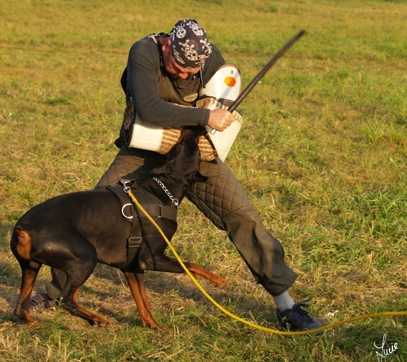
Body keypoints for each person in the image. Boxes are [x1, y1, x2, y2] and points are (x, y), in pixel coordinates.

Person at [30, 19, 323, 333]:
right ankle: (55, 294)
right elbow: (150, 108)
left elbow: (221, 108)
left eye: (191, 72)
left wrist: (216, 123)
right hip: (144, 150)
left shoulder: (210, 60)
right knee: (95, 211)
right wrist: (204, 115)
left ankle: (287, 305)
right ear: (168, 45)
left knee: (243, 217)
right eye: (179, 68)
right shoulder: (144, 52)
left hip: (192, 154)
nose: (185, 75)